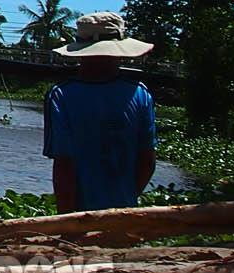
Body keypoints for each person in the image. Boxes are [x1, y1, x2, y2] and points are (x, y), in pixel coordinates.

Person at [42, 11, 156, 212]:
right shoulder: (140, 94)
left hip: (78, 214)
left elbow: (64, 167)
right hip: (124, 214)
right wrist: (126, 200)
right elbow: (147, 162)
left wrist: (66, 222)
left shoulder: (61, 95)